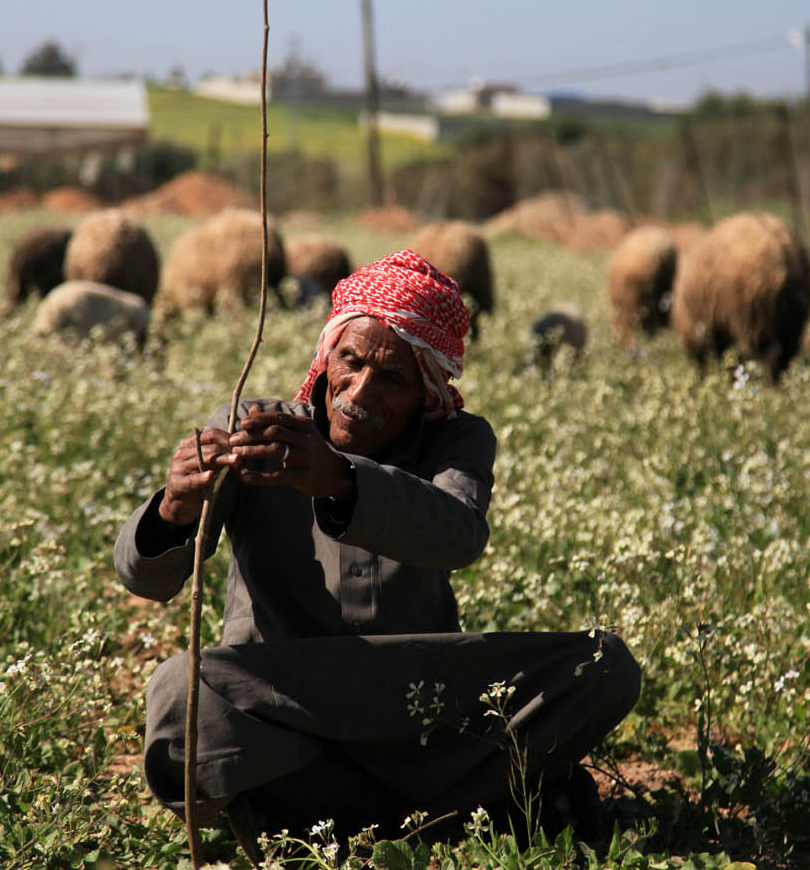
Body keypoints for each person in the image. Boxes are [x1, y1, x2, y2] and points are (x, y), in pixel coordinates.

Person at [114, 250, 640, 853]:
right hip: (286, 702)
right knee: (179, 692)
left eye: (392, 378)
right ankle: (467, 810)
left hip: (421, 705)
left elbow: (457, 532)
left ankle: (324, 820)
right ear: (326, 357)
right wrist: (174, 508)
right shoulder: (254, 428)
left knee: (605, 666)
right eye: (351, 361)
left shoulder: (459, 441)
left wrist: (339, 479)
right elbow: (147, 581)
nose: (359, 391)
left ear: (427, 391)